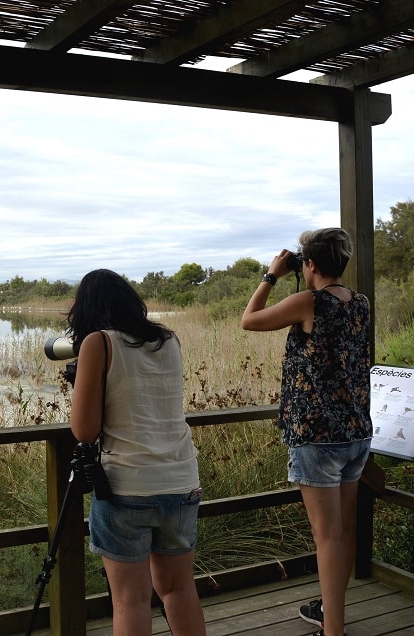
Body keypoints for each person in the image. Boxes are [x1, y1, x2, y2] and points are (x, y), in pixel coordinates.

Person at [240, 228, 372, 636]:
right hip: (355, 432)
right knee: (343, 533)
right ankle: (333, 615)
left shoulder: (308, 302)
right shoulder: (360, 303)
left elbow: (249, 320)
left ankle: (333, 631)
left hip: (317, 437)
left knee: (327, 538)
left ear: (309, 264)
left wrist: (271, 275)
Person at [65, 268, 207, 636]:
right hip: (181, 481)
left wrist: (82, 380)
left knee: (130, 600)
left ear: (86, 309)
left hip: (128, 485)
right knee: (178, 588)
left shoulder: (98, 342)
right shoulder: (168, 339)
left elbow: (84, 430)